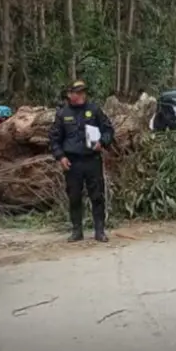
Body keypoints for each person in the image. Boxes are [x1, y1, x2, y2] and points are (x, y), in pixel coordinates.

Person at [48, 80, 115, 242]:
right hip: (72, 162)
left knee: (97, 195)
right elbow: (54, 139)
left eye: (83, 92)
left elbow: (108, 130)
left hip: (92, 159)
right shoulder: (63, 114)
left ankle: (99, 230)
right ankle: (77, 230)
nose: (80, 96)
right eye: (77, 93)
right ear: (69, 94)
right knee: (74, 196)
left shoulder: (94, 110)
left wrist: (103, 142)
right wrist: (61, 157)